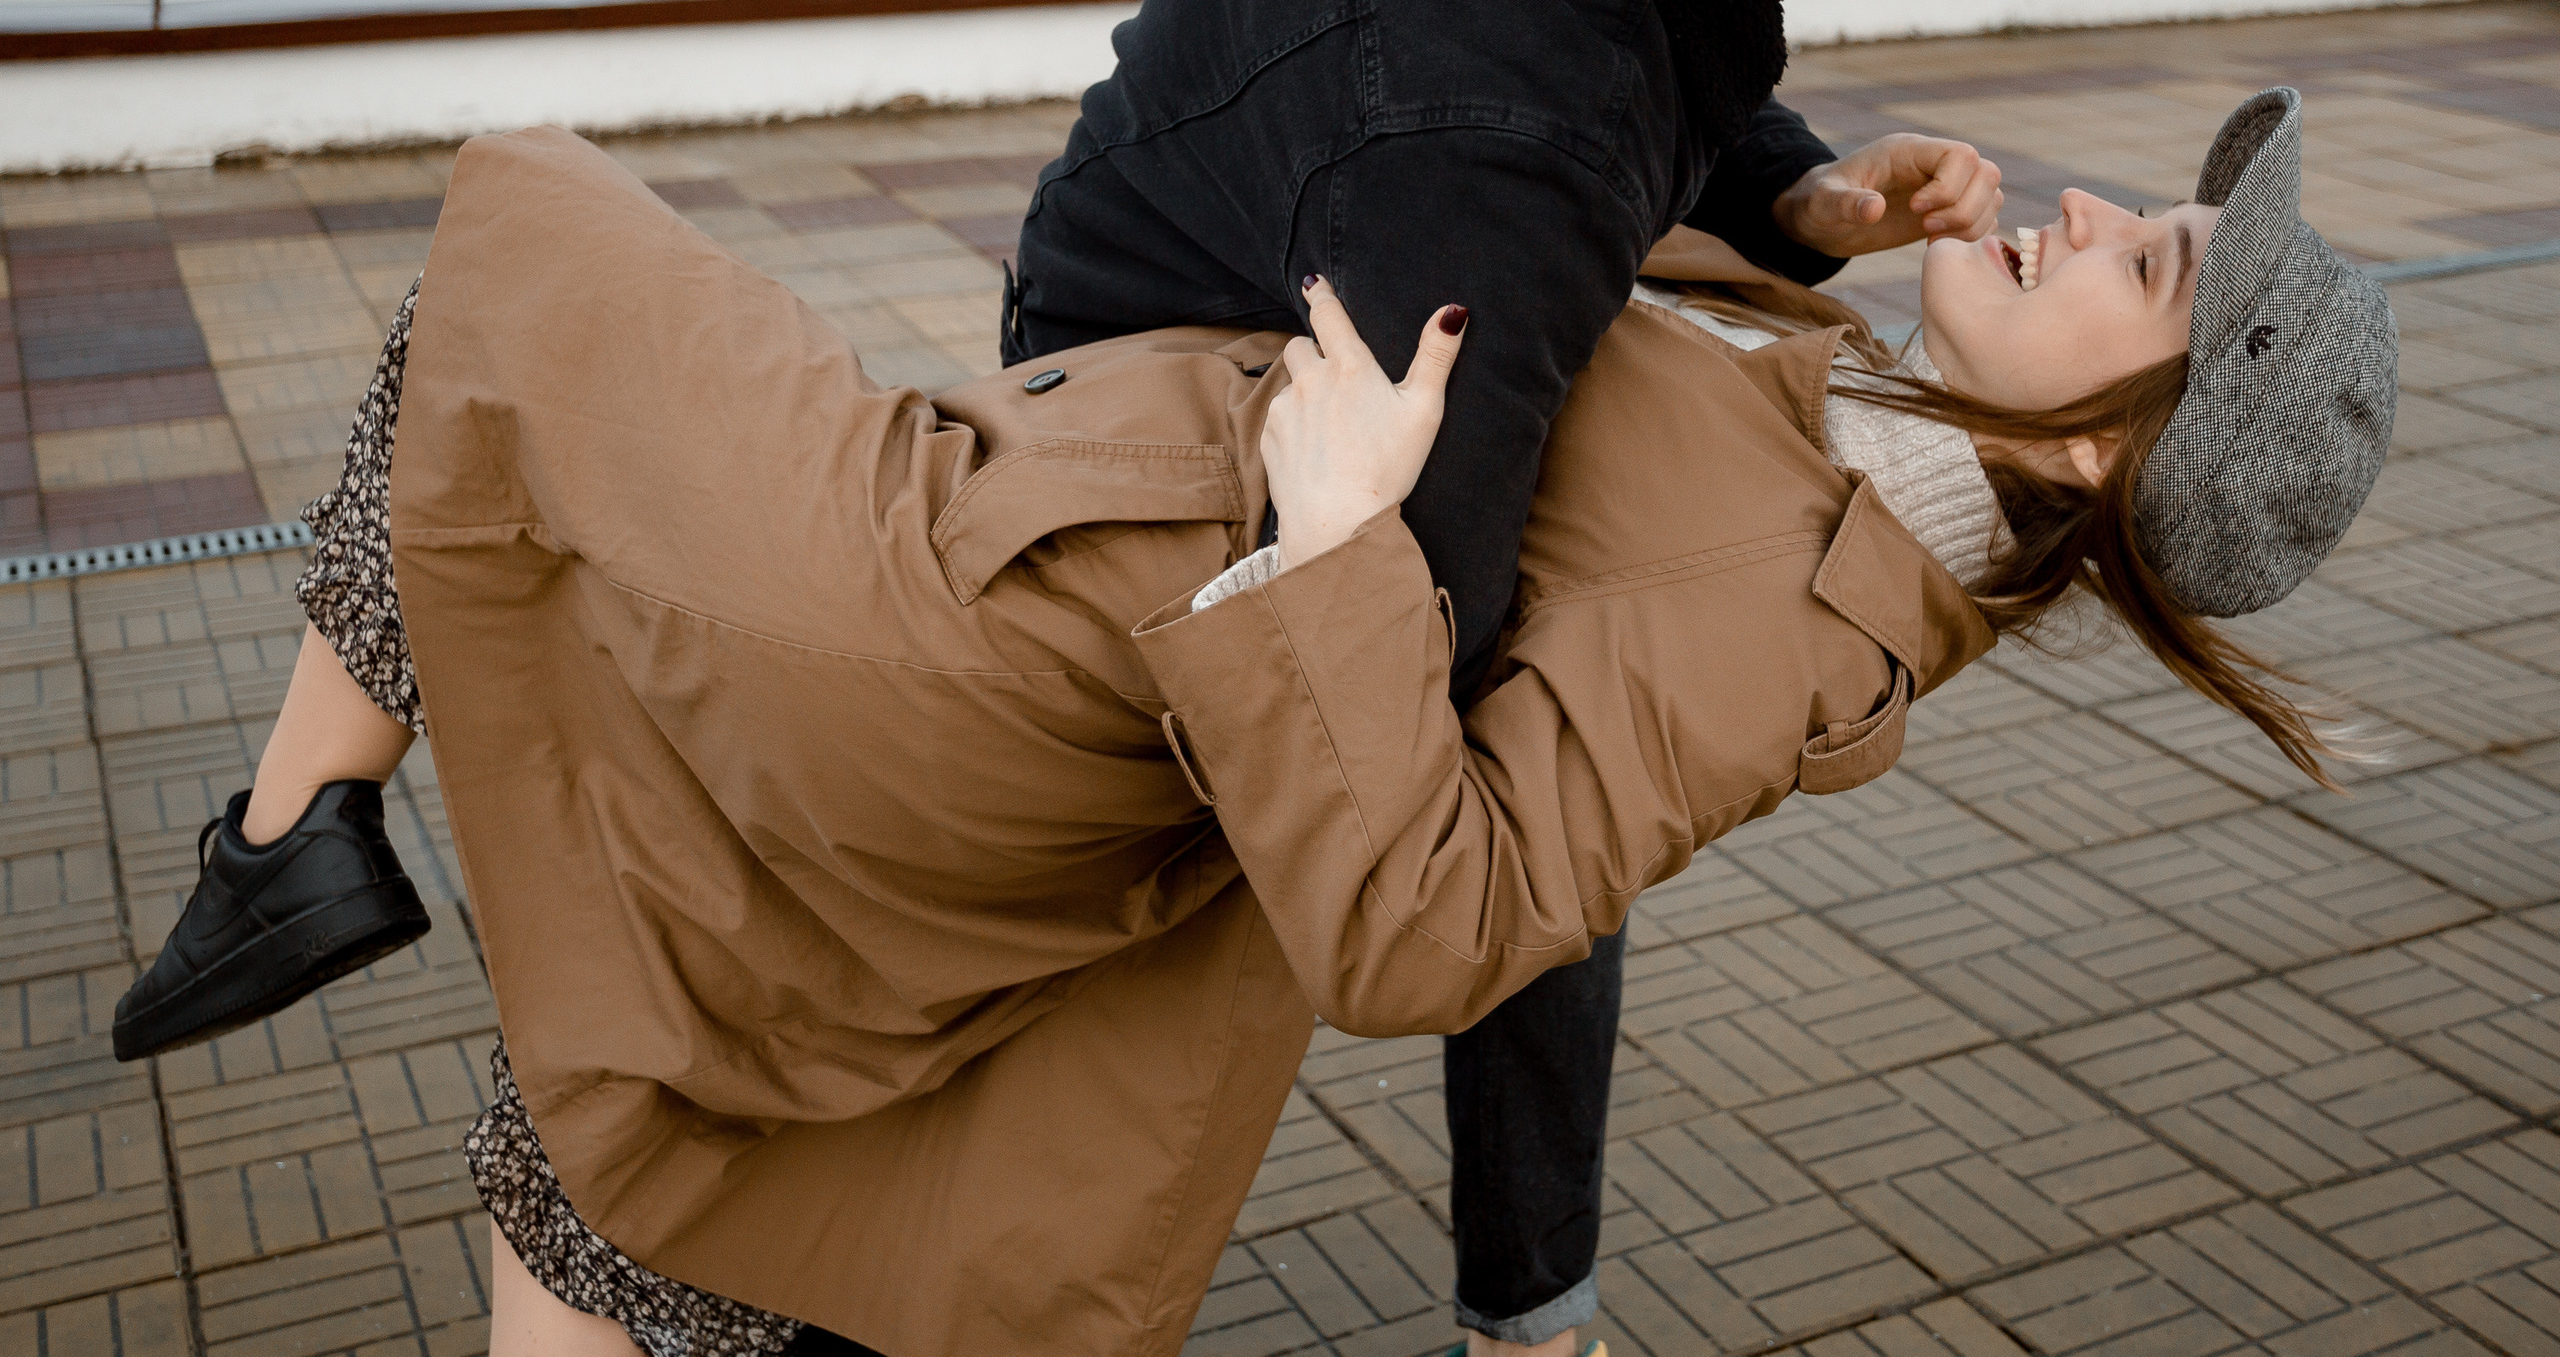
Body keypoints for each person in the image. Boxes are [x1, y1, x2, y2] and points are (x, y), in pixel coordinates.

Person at [112, 85, 2394, 1357]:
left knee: (517, 267)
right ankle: (295, 841)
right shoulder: (1844, 409)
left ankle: (293, 834)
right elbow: (1591, 225)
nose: (2090, 207)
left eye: (2148, 263)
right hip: (1056, 625)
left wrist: (1330, 543)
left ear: (2113, 449)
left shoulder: (1797, 627)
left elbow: (1436, 931)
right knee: (621, 1160)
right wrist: (1796, 196)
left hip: (1000, 636)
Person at [996, 0, 2258, 1355]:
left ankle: (1518, 1293)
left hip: (1252, 238)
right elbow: (1431, 731)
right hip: (1163, 436)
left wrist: (1790, 189)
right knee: (1161, 972)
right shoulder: (1494, 136)